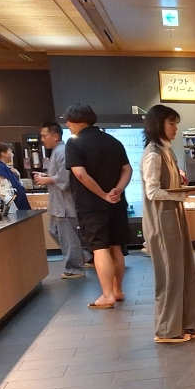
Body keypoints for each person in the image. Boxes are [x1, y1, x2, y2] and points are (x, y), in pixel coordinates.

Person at [141, 105, 195, 342]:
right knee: (170, 274)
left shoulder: (167, 151)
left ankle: (186, 323)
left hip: (173, 215)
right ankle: (168, 329)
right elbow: (152, 192)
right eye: (171, 123)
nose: (175, 128)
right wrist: (182, 194)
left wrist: (181, 187)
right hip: (161, 219)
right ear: (158, 124)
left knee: (183, 269)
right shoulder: (153, 153)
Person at [64, 104, 131, 309]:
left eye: (69, 121)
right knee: (116, 246)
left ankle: (107, 295)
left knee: (99, 248)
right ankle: (117, 290)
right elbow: (127, 169)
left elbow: (80, 174)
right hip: (117, 203)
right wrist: (117, 190)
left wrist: (102, 195)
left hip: (91, 205)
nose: (67, 125)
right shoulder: (113, 141)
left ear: (79, 121)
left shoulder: (74, 143)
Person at [32, 121, 84, 278]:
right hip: (58, 203)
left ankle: (75, 268)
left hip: (64, 203)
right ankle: (86, 256)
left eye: (44, 136)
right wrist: (46, 177)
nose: (42, 139)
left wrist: (47, 179)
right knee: (54, 231)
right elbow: (59, 175)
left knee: (68, 237)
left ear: (55, 136)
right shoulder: (57, 151)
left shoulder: (62, 151)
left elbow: (65, 177)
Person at [0, 144, 31, 210]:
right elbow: (4, 192)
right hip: (14, 207)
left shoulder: (4, 167)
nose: (12, 154)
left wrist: (17, 176)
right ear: (3, 153)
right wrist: (11, 209)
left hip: (19, 204)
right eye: (10, 152)